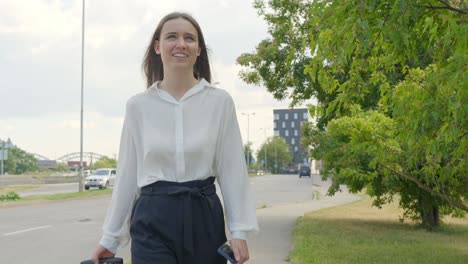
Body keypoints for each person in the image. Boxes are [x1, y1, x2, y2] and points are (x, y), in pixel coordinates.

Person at [90, 12, 258, 264]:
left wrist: (239, 231)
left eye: (189, 38)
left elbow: (232, 170)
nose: (181, 44)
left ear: (198, 49)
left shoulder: (219, 102)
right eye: (172, 37)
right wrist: (110, 239)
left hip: (203, 217)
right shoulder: (138, 106)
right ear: (157, 47)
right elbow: (127, 175)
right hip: (151, 220)